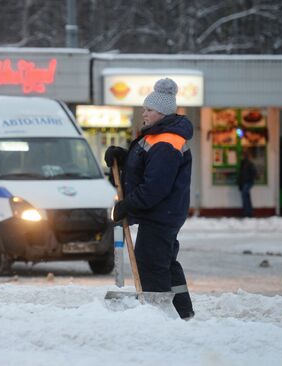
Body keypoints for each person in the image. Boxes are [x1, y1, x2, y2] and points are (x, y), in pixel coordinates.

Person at [104, 78, 195, 320]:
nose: (143, 113)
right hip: (163, 213)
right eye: (144, 108)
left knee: (150, 265)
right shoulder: (159, 136)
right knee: (165, 262)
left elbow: (156, 187)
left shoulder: (166, 142)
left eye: (148, 110)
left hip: (160, 213)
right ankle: (183, 313)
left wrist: (128, 204)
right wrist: (123, 158)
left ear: (162, 113)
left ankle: (159, 318)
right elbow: (145, 167)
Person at [237, 151, 257, 217]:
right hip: (245, 182)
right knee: (247, 197)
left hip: (247, 182)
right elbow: (242, 174)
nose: (241, 157)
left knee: (245, 197)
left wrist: (249, 180)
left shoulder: (248, 163)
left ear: (244, 156)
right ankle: (249, 212)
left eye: (242, 155)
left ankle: (247, 212)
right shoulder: (244, 163)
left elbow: (254, 173)